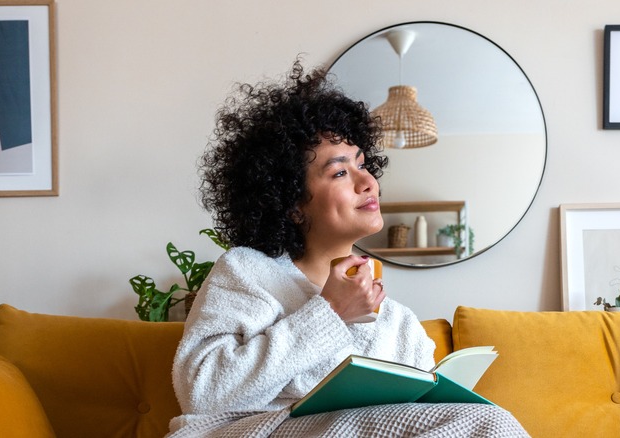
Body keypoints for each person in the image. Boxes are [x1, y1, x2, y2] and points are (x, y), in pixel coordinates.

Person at [167, 59, 528, 437]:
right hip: (254, 431)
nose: (368, 181)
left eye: (362, 164)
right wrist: (330, 312)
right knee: (492, 424)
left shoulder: (398, 322)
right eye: (340, 172)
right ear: (291, 203)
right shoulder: (248, 272)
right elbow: (204, 393)